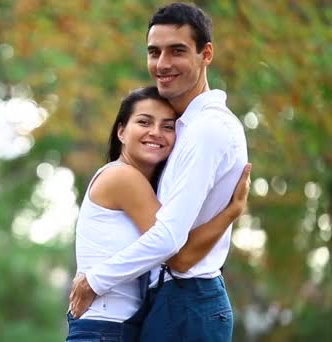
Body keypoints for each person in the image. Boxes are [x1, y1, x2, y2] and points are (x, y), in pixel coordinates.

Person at [69, 3, 249, 341]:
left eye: (177, 51)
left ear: (205, 53)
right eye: (154, 52)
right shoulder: (186, 130)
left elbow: (172, 246)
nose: (162, 64)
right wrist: (230, 214)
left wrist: (95, 279)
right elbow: (175, 253)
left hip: (188, 300)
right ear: (121, 130)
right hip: (167, 302)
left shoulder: (206, 129)